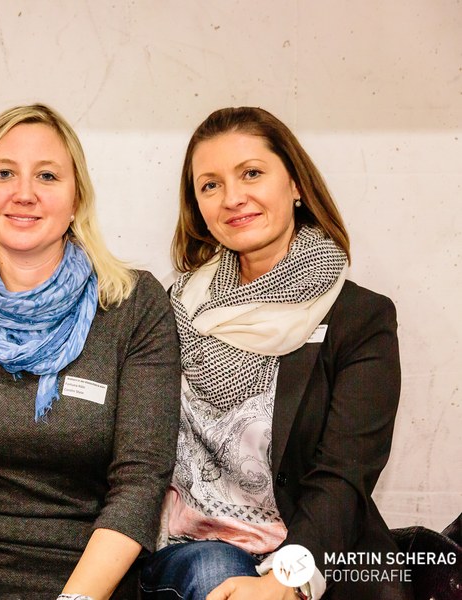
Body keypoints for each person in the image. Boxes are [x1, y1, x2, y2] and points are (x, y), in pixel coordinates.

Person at [0, 104, 181, 599]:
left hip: (92, 575)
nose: (24, 193)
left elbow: (141, 477)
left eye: (47, 175)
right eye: (3, 173)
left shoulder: (133, 304)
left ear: (76, 199)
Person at [139, 107, 411, 600]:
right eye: (210, 185)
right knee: (216, 569)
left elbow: (344, 474)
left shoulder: (360, 318)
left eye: (251, 173)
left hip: (317, 554)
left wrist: (287, 577)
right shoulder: (170, 307)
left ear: (296, 185)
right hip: (191, 550)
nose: (232, 198)